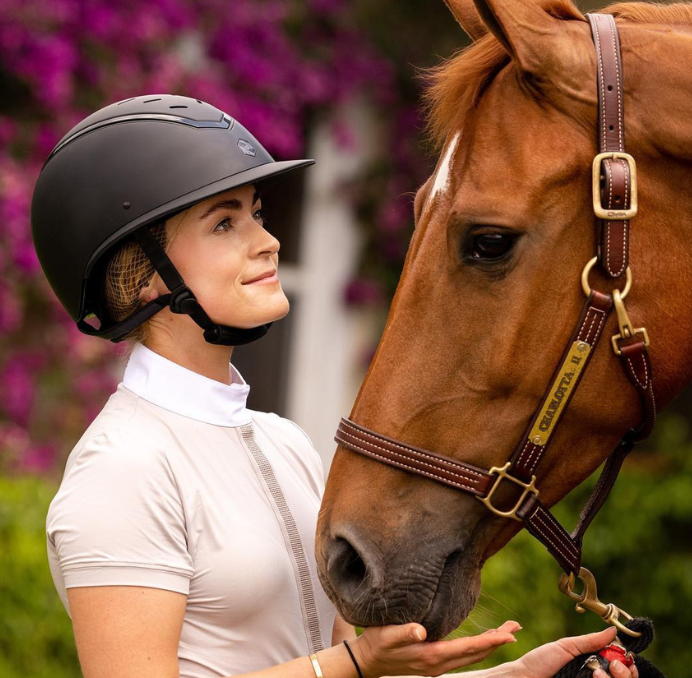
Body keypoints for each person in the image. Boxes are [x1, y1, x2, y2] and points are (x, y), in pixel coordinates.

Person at [31, 95, 637, 678]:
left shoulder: (283, 443)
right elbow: (344, 668)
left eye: (257, 214)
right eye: (223, 224)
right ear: (139, 277)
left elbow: (347, 672)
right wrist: (354, 664)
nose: (267, 241)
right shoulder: (122, 468)